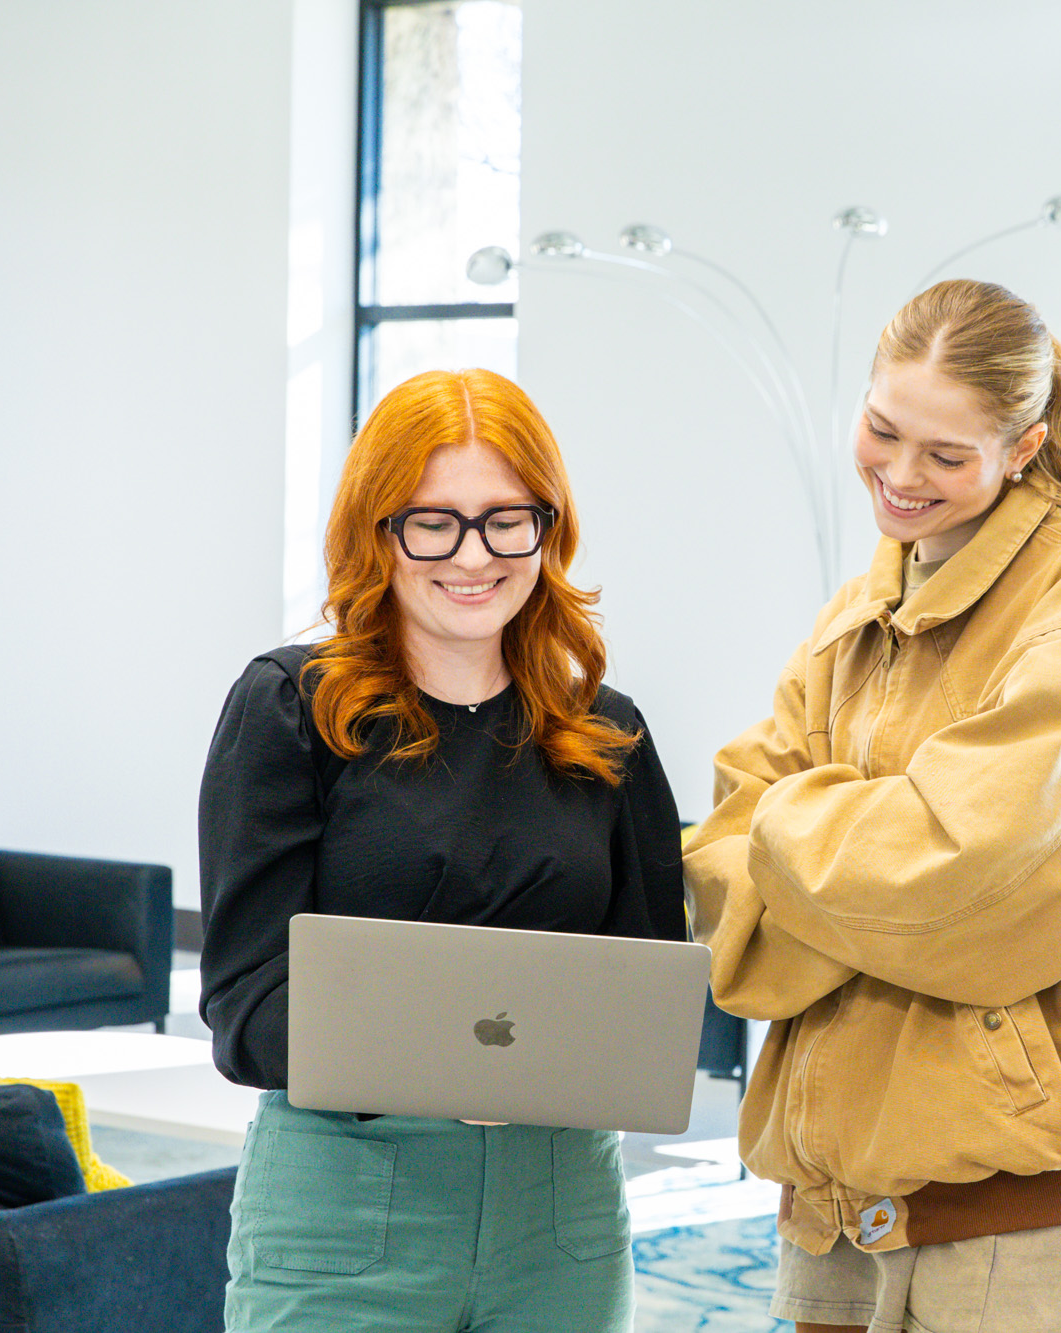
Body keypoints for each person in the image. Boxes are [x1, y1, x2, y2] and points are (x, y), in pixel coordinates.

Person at [684, 280, 1061, 1333]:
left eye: (946, 454)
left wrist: (797, 831)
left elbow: (969, 869)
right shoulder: (856, 609)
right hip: (833, 1195)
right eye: (882, 430)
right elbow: (718, 851)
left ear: (1022, 448)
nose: (900, 474)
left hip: (1010, 1198)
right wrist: (867, 864)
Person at [199, 368, 686, 1333]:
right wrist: (447, 1063)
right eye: (434, 522)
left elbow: (651, 995)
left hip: (561, 1212)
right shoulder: (290, 707)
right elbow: (244, 1003)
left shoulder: (608, 732)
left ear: (548, 528)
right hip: (346, 1199)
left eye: (507, 521)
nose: (474, 555)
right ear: (376, 530)